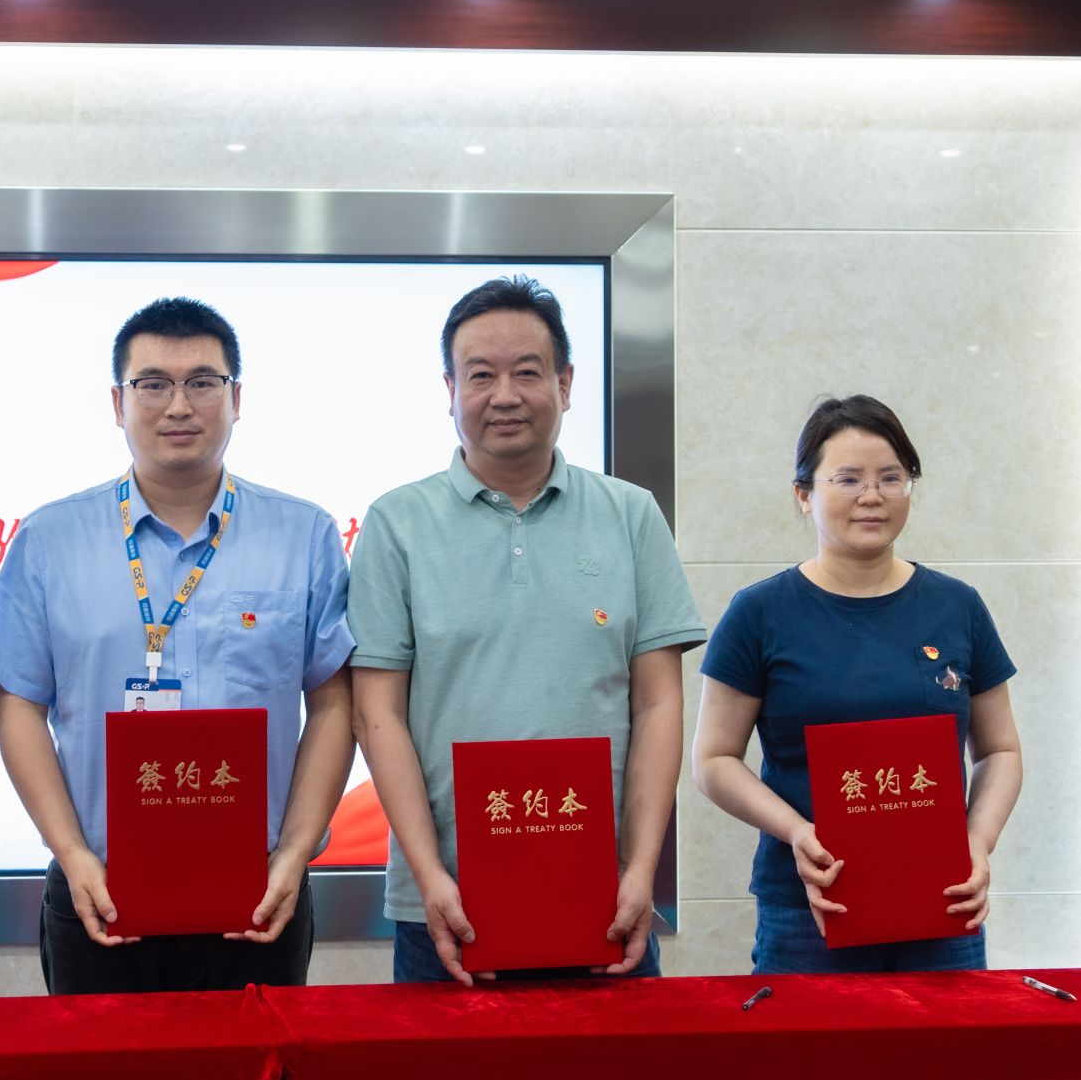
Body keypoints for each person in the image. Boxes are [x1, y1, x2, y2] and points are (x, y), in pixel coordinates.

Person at [0, 295, 351, 1080]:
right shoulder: (51, 539)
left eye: (201, 382)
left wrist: (296, 853)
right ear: (117, 402)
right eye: (152, 383)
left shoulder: (304, 534)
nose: (177, 404)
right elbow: (17, 703)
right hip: (101, 897)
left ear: (237, 397)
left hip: (257, 898)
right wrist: (71, 853)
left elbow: (334, 702)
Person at [348, 274, 705, 986]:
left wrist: (641, 869)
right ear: (450, 388)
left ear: (565, 384)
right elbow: (376, 712)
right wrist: (430, 877)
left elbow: (658, 703)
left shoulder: (631, 514)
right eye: (480, 375)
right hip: (446, 907)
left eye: (528, 372)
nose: (504, 395)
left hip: (604, 899)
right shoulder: (396, 523)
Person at [690, 394, 1024, 974]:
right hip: (811, 904)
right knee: (812, 1039)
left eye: (891, 478)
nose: (872, 496)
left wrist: (978, 842)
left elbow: (1000, 750)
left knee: (949, 1039)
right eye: (847, 479)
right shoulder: (759, 613)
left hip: (944, 898)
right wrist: (796, 832)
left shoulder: (958, 606)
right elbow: (714, 760)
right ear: (804, 494)